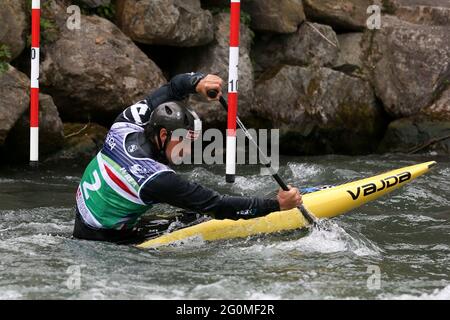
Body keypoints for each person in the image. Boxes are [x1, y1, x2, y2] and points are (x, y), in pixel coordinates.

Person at [73, 72, 302, 244]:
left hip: (86, 221)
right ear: (163, 135)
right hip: (103, 240)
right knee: (200, 215)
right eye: (184, 142)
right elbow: (217, 206)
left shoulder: (126, 124)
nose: (188, 151)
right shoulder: (155, 178)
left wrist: (198, 82)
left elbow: (172, 88)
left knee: (189, 215)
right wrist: (275, 205)